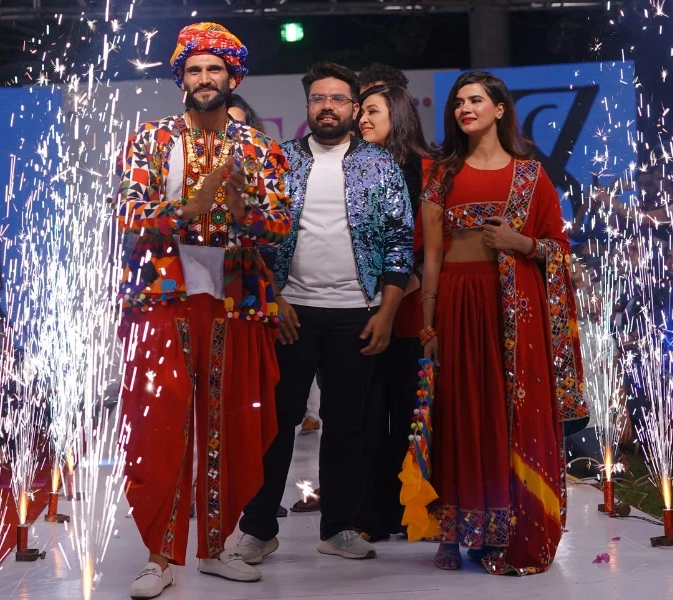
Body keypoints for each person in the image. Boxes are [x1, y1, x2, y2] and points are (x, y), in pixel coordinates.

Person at [117, 22, 291, 597]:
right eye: (194, 69)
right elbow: (128, 214)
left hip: (234, 300)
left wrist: (243, 212)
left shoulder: (258, 147)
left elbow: (280, 225)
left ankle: (216, 547)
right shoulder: (150, 139)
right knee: (160, 426)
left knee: (232, 423)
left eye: (214, 68)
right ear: (182, 79)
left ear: (232, 77)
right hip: (163, 297)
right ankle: (158, 557)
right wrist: (187, 209)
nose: (204, 78)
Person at [236, 61, 413, 563]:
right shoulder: (281, 159)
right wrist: (276, 298)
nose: (328, 106)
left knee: (347, 424)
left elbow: (400, 241)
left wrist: (386, 312)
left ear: (354, 108)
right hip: (291, 312)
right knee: (277, 423)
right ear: (308, 106)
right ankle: (258, 528)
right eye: (319, 98)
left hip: (357, 312)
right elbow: (257, 237)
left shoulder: (380, 164)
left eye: (338, 99)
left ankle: (337, 527)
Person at [420, 71, 588, 575]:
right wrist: (428, 326)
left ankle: (509, 529)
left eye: (475, 100)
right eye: (458, 102)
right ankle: (454, 529)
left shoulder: (531, 176)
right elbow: (431, 256)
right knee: (459, 409)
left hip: (513, 310)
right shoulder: (442, 174)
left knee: (506, 413)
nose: (464, 109)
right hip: (457, 301)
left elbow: (561, 251)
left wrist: (522, 244)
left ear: (499, 109)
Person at [354, 83, 433, 541]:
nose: (362, 119)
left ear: (397, 115)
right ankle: (370, 517)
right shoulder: (354, 168)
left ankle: (415, 511)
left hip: (412, 311)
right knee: (366, 414)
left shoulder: (428, 169)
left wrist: (409, 279)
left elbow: (438, 240)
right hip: (363, 309)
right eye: (361, 112)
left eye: (372, 111)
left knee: (411, 413)